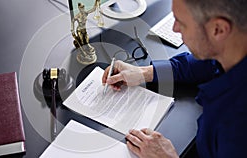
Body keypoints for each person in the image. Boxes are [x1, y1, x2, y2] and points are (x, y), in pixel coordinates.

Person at [102, 0, 247, 157]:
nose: (174, 28)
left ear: (218, 30)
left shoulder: (236, 126)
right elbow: (205, 65)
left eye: (181, 23)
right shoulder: (233, 48)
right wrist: (144, 72)